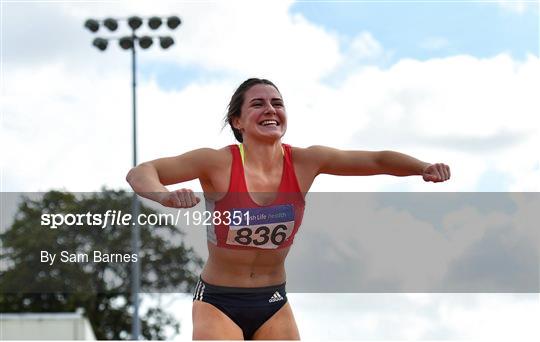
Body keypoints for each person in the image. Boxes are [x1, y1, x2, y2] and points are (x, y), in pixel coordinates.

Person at [126, 78, 451, 340]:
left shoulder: (306, 161)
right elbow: (141, 172)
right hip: (218, 301)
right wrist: (164, 196)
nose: (270, 109)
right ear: (237, 121)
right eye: (258, 104)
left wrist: (422, 167)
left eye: (277, 103)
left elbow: (377, 160)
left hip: (273, 301)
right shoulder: (217, 162)